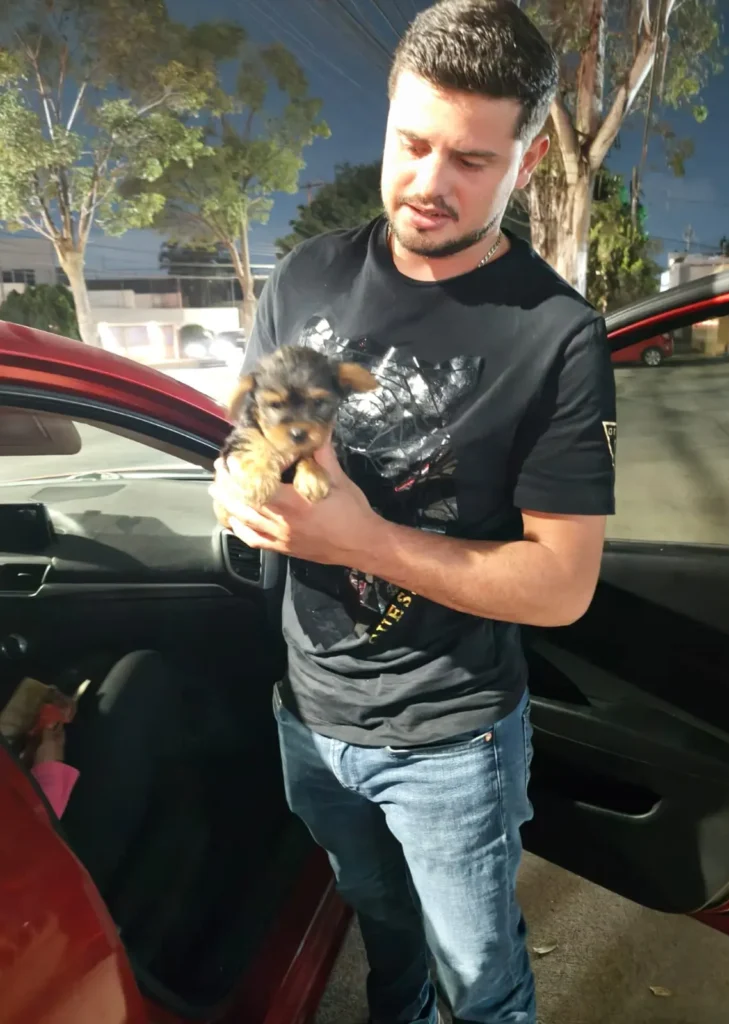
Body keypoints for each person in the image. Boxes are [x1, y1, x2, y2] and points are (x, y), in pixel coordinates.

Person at [210, 1, 616, 1021]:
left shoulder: (558, 337)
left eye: (471, 160)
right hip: (309, 713)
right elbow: (250, 437)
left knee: (481, 979)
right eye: (412, 143)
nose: (431, 182)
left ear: (526, 163)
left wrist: (365, 540)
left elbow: (562, 585)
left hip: (450, 740)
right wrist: (236, 487)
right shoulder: (306, 273)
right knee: (382, 927)